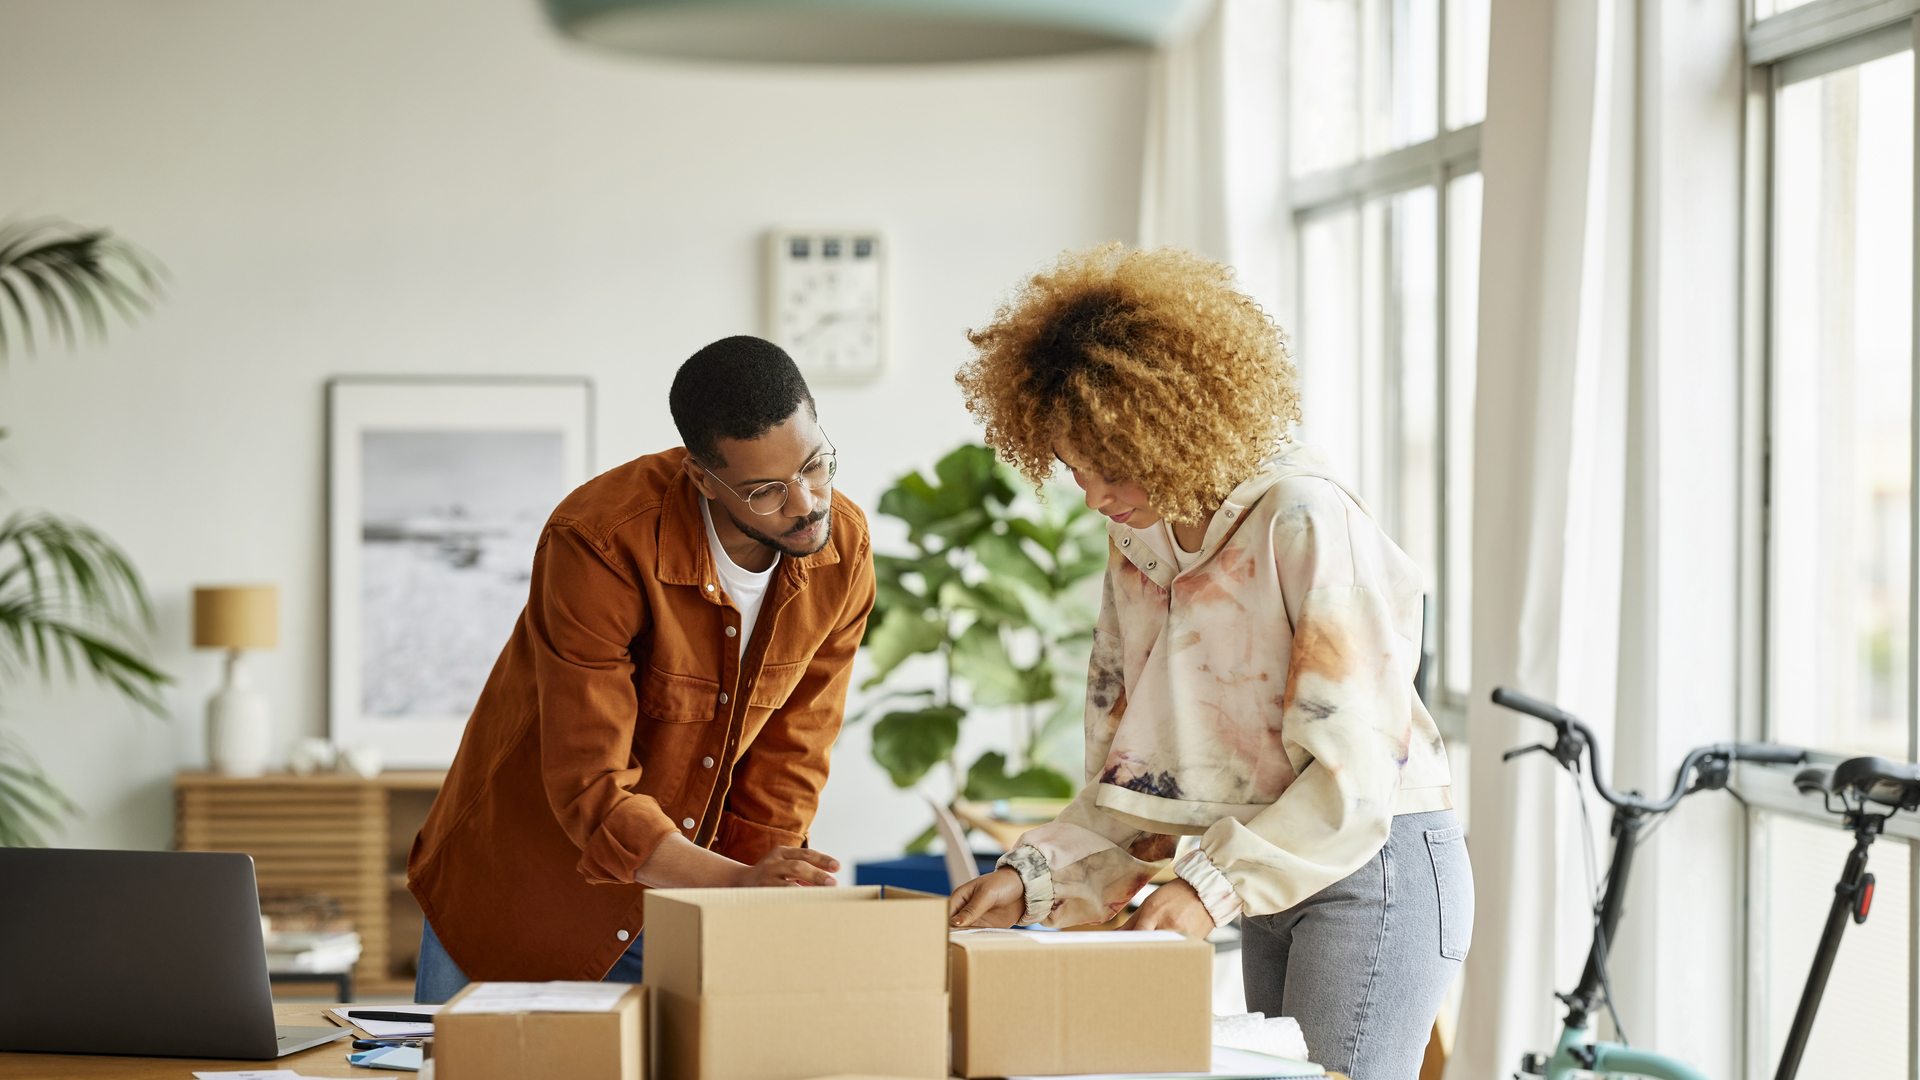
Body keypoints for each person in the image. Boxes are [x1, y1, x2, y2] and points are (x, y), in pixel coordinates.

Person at [946, 245, 1471, 1080]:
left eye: (1112, 468)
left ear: (1172, 429)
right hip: (1264, 868)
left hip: (1377, 863)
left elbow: (1358, 772)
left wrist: (1207, 889)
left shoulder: (1301, 519)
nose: (1093, 496)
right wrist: (1036, 877)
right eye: (1074, 469)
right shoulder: (1138, 542)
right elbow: (1140, 771)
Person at [406, 335, 875, 1002]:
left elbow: (792, 757)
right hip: (528, 895)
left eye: (816, 464)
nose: (804, 503)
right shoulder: (599, 540)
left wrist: (756, 895)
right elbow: (589, 785)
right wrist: (736, 882)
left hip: (691, 896)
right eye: (765, 490)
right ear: (701, 477)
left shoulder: (843, 551)